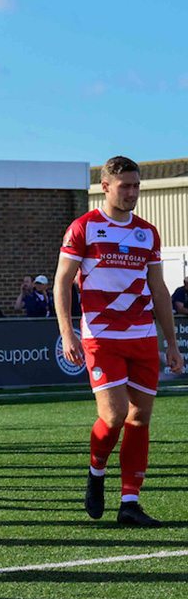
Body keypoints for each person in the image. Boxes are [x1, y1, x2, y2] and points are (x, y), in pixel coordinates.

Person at [56, 155, 184, 527]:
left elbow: (158, 289)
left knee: (140, 418)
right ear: (106, 187)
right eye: (125, 186)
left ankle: (130, 502)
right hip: (101, 337)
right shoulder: (84, 227)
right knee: (112, 415)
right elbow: (62, 281)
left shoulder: (148, 232)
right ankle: (96, 471)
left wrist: (171, 343)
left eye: (137, 186)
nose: (132, 193)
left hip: (142, 337)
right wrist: (68, 332)